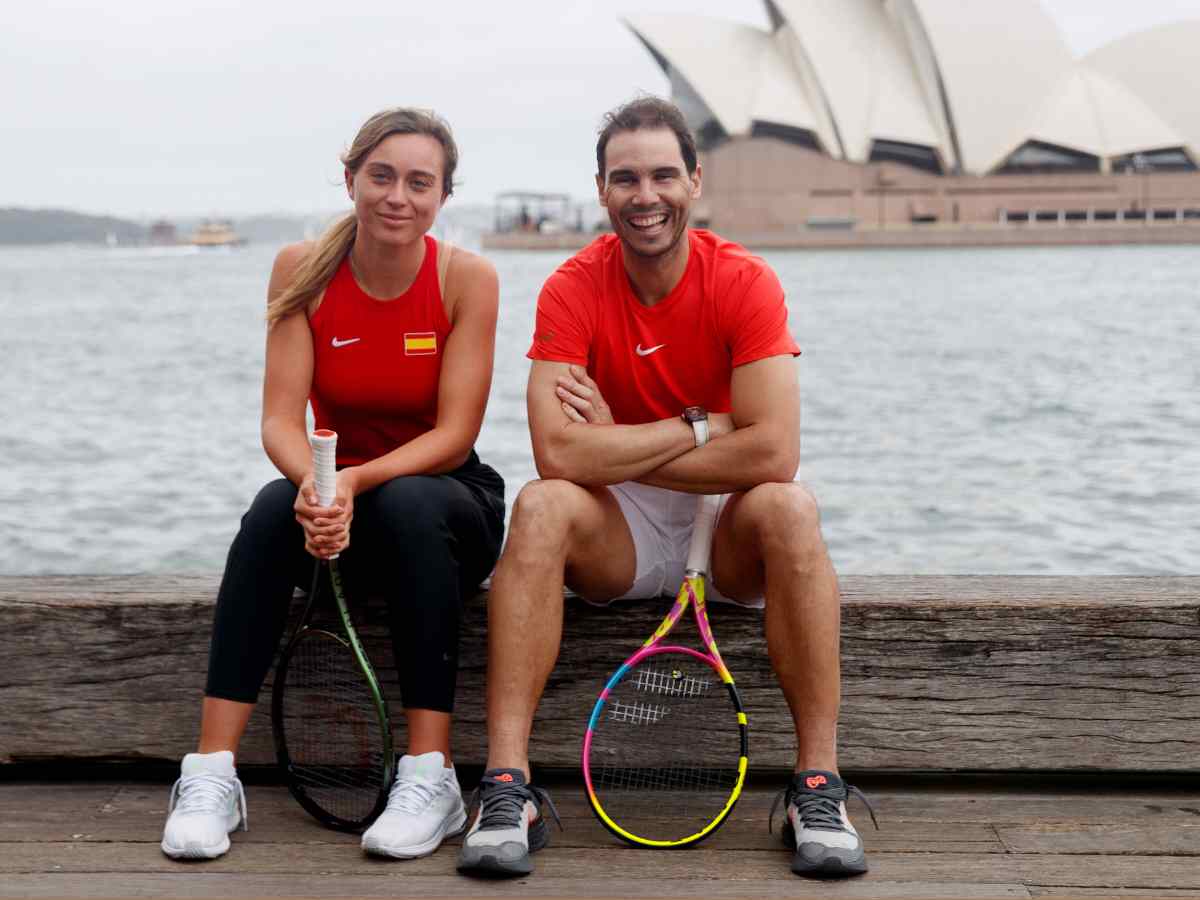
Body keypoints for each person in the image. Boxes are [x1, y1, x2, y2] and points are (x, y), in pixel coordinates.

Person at [456, 96, 870, 880]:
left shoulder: (744, 281)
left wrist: (615, 442)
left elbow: (776, 453)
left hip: (731, 515)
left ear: (695, 180)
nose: (645, 196)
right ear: (602, 189)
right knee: (540, 507)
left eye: (661, 175)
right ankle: (507, 786)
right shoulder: (572, 287)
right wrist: (703, 424)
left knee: (791, 506)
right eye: (625, 179)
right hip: (624, 523)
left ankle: (818, 785)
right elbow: (555, 453)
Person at [161, 108, 505, 862]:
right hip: (340, 501)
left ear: (443, 196)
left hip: (448, 502)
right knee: (264, 514)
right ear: (351, 179)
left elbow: (453, 437)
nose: (397, 196)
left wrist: (349, 481)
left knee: (411, 503)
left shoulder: (468, 279)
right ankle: (211, 775)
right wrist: (317, 492)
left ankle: (432, 777)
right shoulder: (300, 268)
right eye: (380, 176)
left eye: (420, 182)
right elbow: (279, 421)